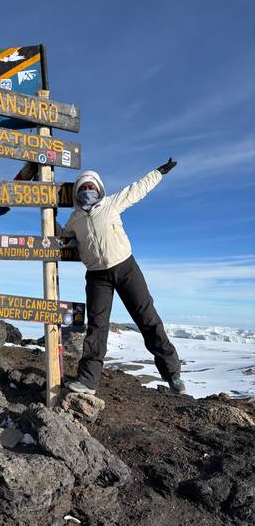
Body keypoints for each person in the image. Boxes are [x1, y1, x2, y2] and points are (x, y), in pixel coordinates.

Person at [62, 158, 186, 395]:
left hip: (126, 268)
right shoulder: (75, 219)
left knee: (147, 319)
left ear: (99, 189)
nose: (88, 191)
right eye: (83, 188)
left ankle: (173, 375)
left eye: (91, 187)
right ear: (77, 194)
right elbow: (63, 236)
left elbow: (137, 189)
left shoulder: (111, 204)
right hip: (97, 276)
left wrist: (159, 172)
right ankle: (88, 381)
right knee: (97, 327)